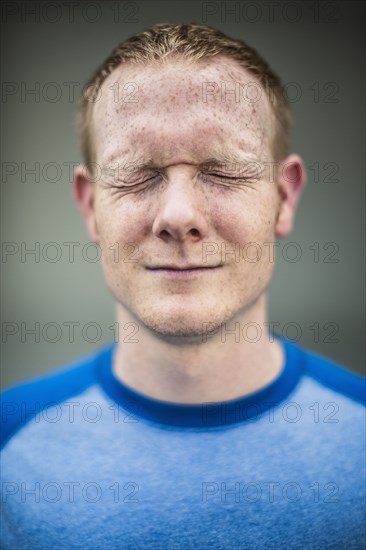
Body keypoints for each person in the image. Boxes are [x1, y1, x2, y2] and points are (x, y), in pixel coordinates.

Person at [1, 23, 365, 550]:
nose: (178, 216)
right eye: (138, 173)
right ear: (89, 206)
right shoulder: (10, 443)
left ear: (284, 199)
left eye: (221, 170)